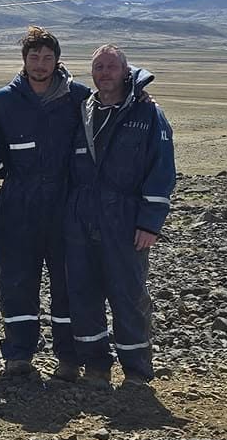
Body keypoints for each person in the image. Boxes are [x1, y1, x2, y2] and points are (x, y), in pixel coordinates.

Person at [63, 44, 176, 386]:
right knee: (84, 293)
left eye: (111, 67)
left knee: (128, 294)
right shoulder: (83, 110)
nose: (104, 74)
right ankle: (96, 366)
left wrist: (149, 222)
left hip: (125, 220)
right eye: (98, 68)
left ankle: (136, 371)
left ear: (125, 71)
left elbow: (162, 170)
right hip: (83, 217)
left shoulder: (147, 115)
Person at [0, 25, 91, 380]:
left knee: (67, 282)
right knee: (16, 281)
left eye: (48, 58)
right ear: (24, 60)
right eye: (34, 57)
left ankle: (69, 358)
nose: (41, 64)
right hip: (19, 206)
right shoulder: (2, 102)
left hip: (65, 206)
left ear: (58, 61)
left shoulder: (79, 98)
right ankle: (19, 355)